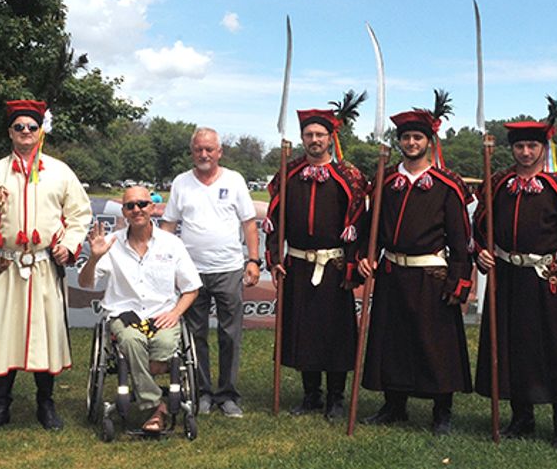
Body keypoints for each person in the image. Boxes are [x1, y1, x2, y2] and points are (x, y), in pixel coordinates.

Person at [473, 89, 557, 451]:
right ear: (511, 149)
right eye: (519, 147)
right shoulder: (497, 184)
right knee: (512, 345)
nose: (525, 153)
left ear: (543, 148)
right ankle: (521, 416)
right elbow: (479, 228)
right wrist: (482, 251)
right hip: (508, 279)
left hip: (549, 279)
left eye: (532, 146)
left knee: (555, 349)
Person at [0, 100, 92, 432]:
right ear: (10, 132)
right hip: (6, 266)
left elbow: (80, 214)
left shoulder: (60, 172)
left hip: (42, 266)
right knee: (1, 332)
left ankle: (45, 404)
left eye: (31, 127)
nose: (25, 133)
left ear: (41, 131)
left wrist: (67, 245)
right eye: (19, 127)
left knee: (44, 333)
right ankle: (0, 405)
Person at [355, 93, 473, 434]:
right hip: (392, 273)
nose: (410, 142)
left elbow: (460, 239)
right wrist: (366, 255)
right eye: (405, 138)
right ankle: (395, 405)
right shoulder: (385, 181)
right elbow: (369, 228)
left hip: (431, 276)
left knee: (436, 345)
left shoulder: (448, 185)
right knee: (392, 341)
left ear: (428, 142)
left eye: (417, 137)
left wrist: (459, 280)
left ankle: (442, 412)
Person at [266, 106, 367, 421]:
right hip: (297, 266)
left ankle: (336, 397)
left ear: (330, 137)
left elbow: (359, 226)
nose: (314, 139)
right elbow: (273, 221)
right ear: (302, 138)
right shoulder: (288, 174)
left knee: (334, 334)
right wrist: (274, 259)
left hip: (334, 268)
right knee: (304, 332)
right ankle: (311, 395)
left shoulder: (347, 177)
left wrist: (352, 266)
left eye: (319, 134)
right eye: (309, 134)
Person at [78, 186, 202, 432]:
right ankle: (156, 408)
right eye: (130, 206)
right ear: (124, 211)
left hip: (162, 315)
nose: (137, 210)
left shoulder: (172, 244)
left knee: (166, 349)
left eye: (142, 204)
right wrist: (94, 257)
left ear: (153, 208)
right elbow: (85, 283)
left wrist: (175, 313)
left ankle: (144, 383)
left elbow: (191, 288)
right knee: (132, 343)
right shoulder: (111, 243)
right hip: (125, 316)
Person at [161, 127, 260, 417]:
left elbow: (249, 224)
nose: (203, 155)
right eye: (198, 150)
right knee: (195, 334)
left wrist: (252, 260)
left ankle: (228, 395)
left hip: (228, 269)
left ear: (219, 152)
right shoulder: (181, 183)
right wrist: (164, 262)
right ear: (192, 152)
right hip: (191, 272)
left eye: (209, 149)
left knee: (230, 334)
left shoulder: (235, 180)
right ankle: (202, 392)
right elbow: (168, 225)